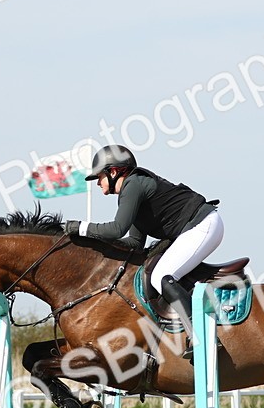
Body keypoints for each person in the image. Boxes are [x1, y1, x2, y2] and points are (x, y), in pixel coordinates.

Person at [65, 145, 222, 360]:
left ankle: (201, 336)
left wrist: (83, 228)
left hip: (203, 225)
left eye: (99, 177)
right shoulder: (133, 191)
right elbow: (134, 243)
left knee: (162, 276)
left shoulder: (134, 185)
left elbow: (117, 229)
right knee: (157, 270)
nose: (98, 183)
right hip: (196, 226)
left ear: (113, 172)